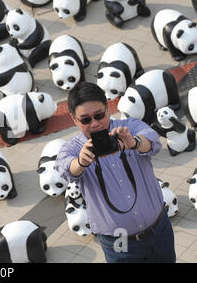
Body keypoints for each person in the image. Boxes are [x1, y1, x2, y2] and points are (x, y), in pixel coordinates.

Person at [55, 82, 176, 263]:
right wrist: (80, 162)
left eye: (99, 115)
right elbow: (65, 168)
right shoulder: (72, 148)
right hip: (119, 243)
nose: (95, 124)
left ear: (108, 109)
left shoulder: (128, 127)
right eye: (86, 120)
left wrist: (133, 143)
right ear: (74, 120)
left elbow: (153, 141)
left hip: (159, 229)